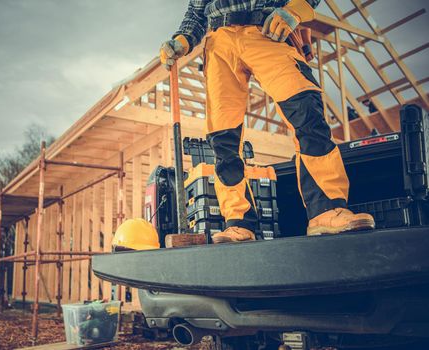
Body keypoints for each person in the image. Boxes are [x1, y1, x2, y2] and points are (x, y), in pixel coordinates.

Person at [160, 0, 375, 243]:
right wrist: (182, 39)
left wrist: (294, 8)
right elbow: (197, 11)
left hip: (269, 30)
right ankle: (238, 223)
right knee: (223, 138)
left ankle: (326, 211)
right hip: (220, 41)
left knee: (306, 111)